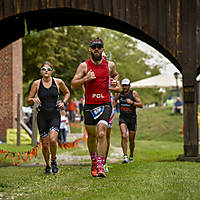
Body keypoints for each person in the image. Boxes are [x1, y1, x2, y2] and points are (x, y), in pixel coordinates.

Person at [71, 38, 119, 177]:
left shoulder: (109, 65)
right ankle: (93, 162)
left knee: (102, 133)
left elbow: (115, 74)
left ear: (103, 49)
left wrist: (115, 81)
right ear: (90, 49)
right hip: (90, 105)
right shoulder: (84, 66)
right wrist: (85, 79)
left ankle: (100, 165)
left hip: (105, 104)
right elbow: (73, 84)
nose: (96, 49)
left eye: (99, 47)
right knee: (92, 136)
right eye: (94, 47)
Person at [27, 61, 70, 174]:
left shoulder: (58, 82)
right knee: (45, 145)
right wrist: (33, 100)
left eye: (48, 69)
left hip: (54, 114)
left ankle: (54, 160)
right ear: (41, 71)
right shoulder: (36, 84)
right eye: (44, 69)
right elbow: (29, 99)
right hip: (42, 116)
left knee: (52, 139)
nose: (46, 71)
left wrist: (63, 103)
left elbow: (67, 93)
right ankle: (47, 165)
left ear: (52, 71)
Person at [114, 78, 143, 164]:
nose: (125, 87)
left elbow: (141, 105)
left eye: (126, 85)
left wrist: (132, 103)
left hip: (132, 118)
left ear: (129, 86)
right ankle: (125, 156)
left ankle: (131, 155)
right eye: (123, 85)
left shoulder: (133, 93)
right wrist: (112, 107)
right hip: (123, 118)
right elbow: (114, 101)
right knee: (123, 135)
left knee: (131, 140)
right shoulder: (119, 93)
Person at [103, 81, 122, 172]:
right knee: (98, 136)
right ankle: (97, 161)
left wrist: (116, 83)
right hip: (98, 109)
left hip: (110, 113)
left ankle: (104, 162)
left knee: (106, 137)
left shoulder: (109, 80)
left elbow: (119, 89)